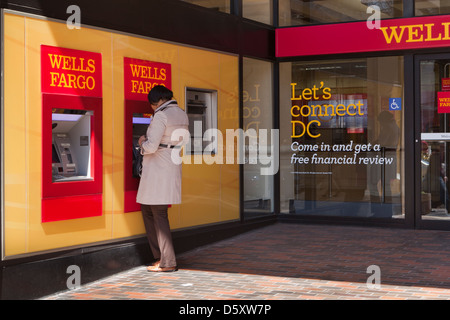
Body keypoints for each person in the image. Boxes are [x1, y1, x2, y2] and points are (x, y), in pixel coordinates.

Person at [137, 85, 189, 272]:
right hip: (171, 164)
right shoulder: (181, 113)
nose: (152, 107)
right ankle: (161, 258)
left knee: (158, 213)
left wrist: (141, 142)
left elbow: (151, 147)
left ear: (158, 101)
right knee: (151, 210)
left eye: (152, 103)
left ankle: (167, 261)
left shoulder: (161, 115)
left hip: (158, 167)